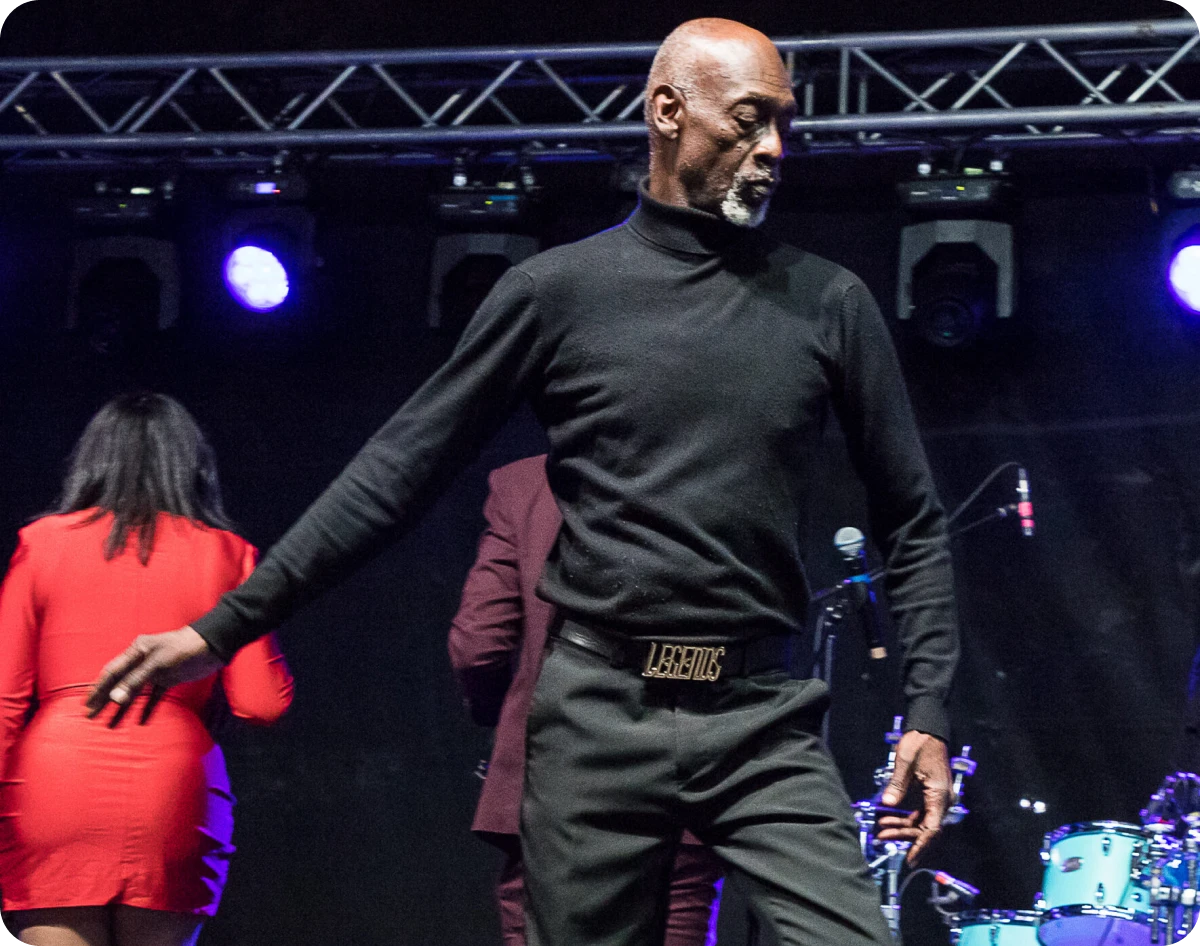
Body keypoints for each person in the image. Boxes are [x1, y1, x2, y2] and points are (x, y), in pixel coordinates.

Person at [88, 18, 959, 946]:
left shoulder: (828, 302)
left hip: (759, 718)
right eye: (750, 120)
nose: (775, 148)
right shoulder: (559, 293)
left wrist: (931, 708)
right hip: (597, 715)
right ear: (668, 112)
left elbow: (912, 517)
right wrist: (225, 629)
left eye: (786, 123)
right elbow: (398, 472)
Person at [0, 393, 294, 946]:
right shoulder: (229, 554)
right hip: (174, 789)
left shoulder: (40, 545)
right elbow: (263, 702)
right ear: (193, 467)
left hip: (55, 784)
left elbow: (3, 699)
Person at [449, 455, 723, 946]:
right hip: (677, 781)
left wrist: (496, 716)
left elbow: (478, 644)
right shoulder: (711, 475)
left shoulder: (526, 483)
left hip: (548, 787)